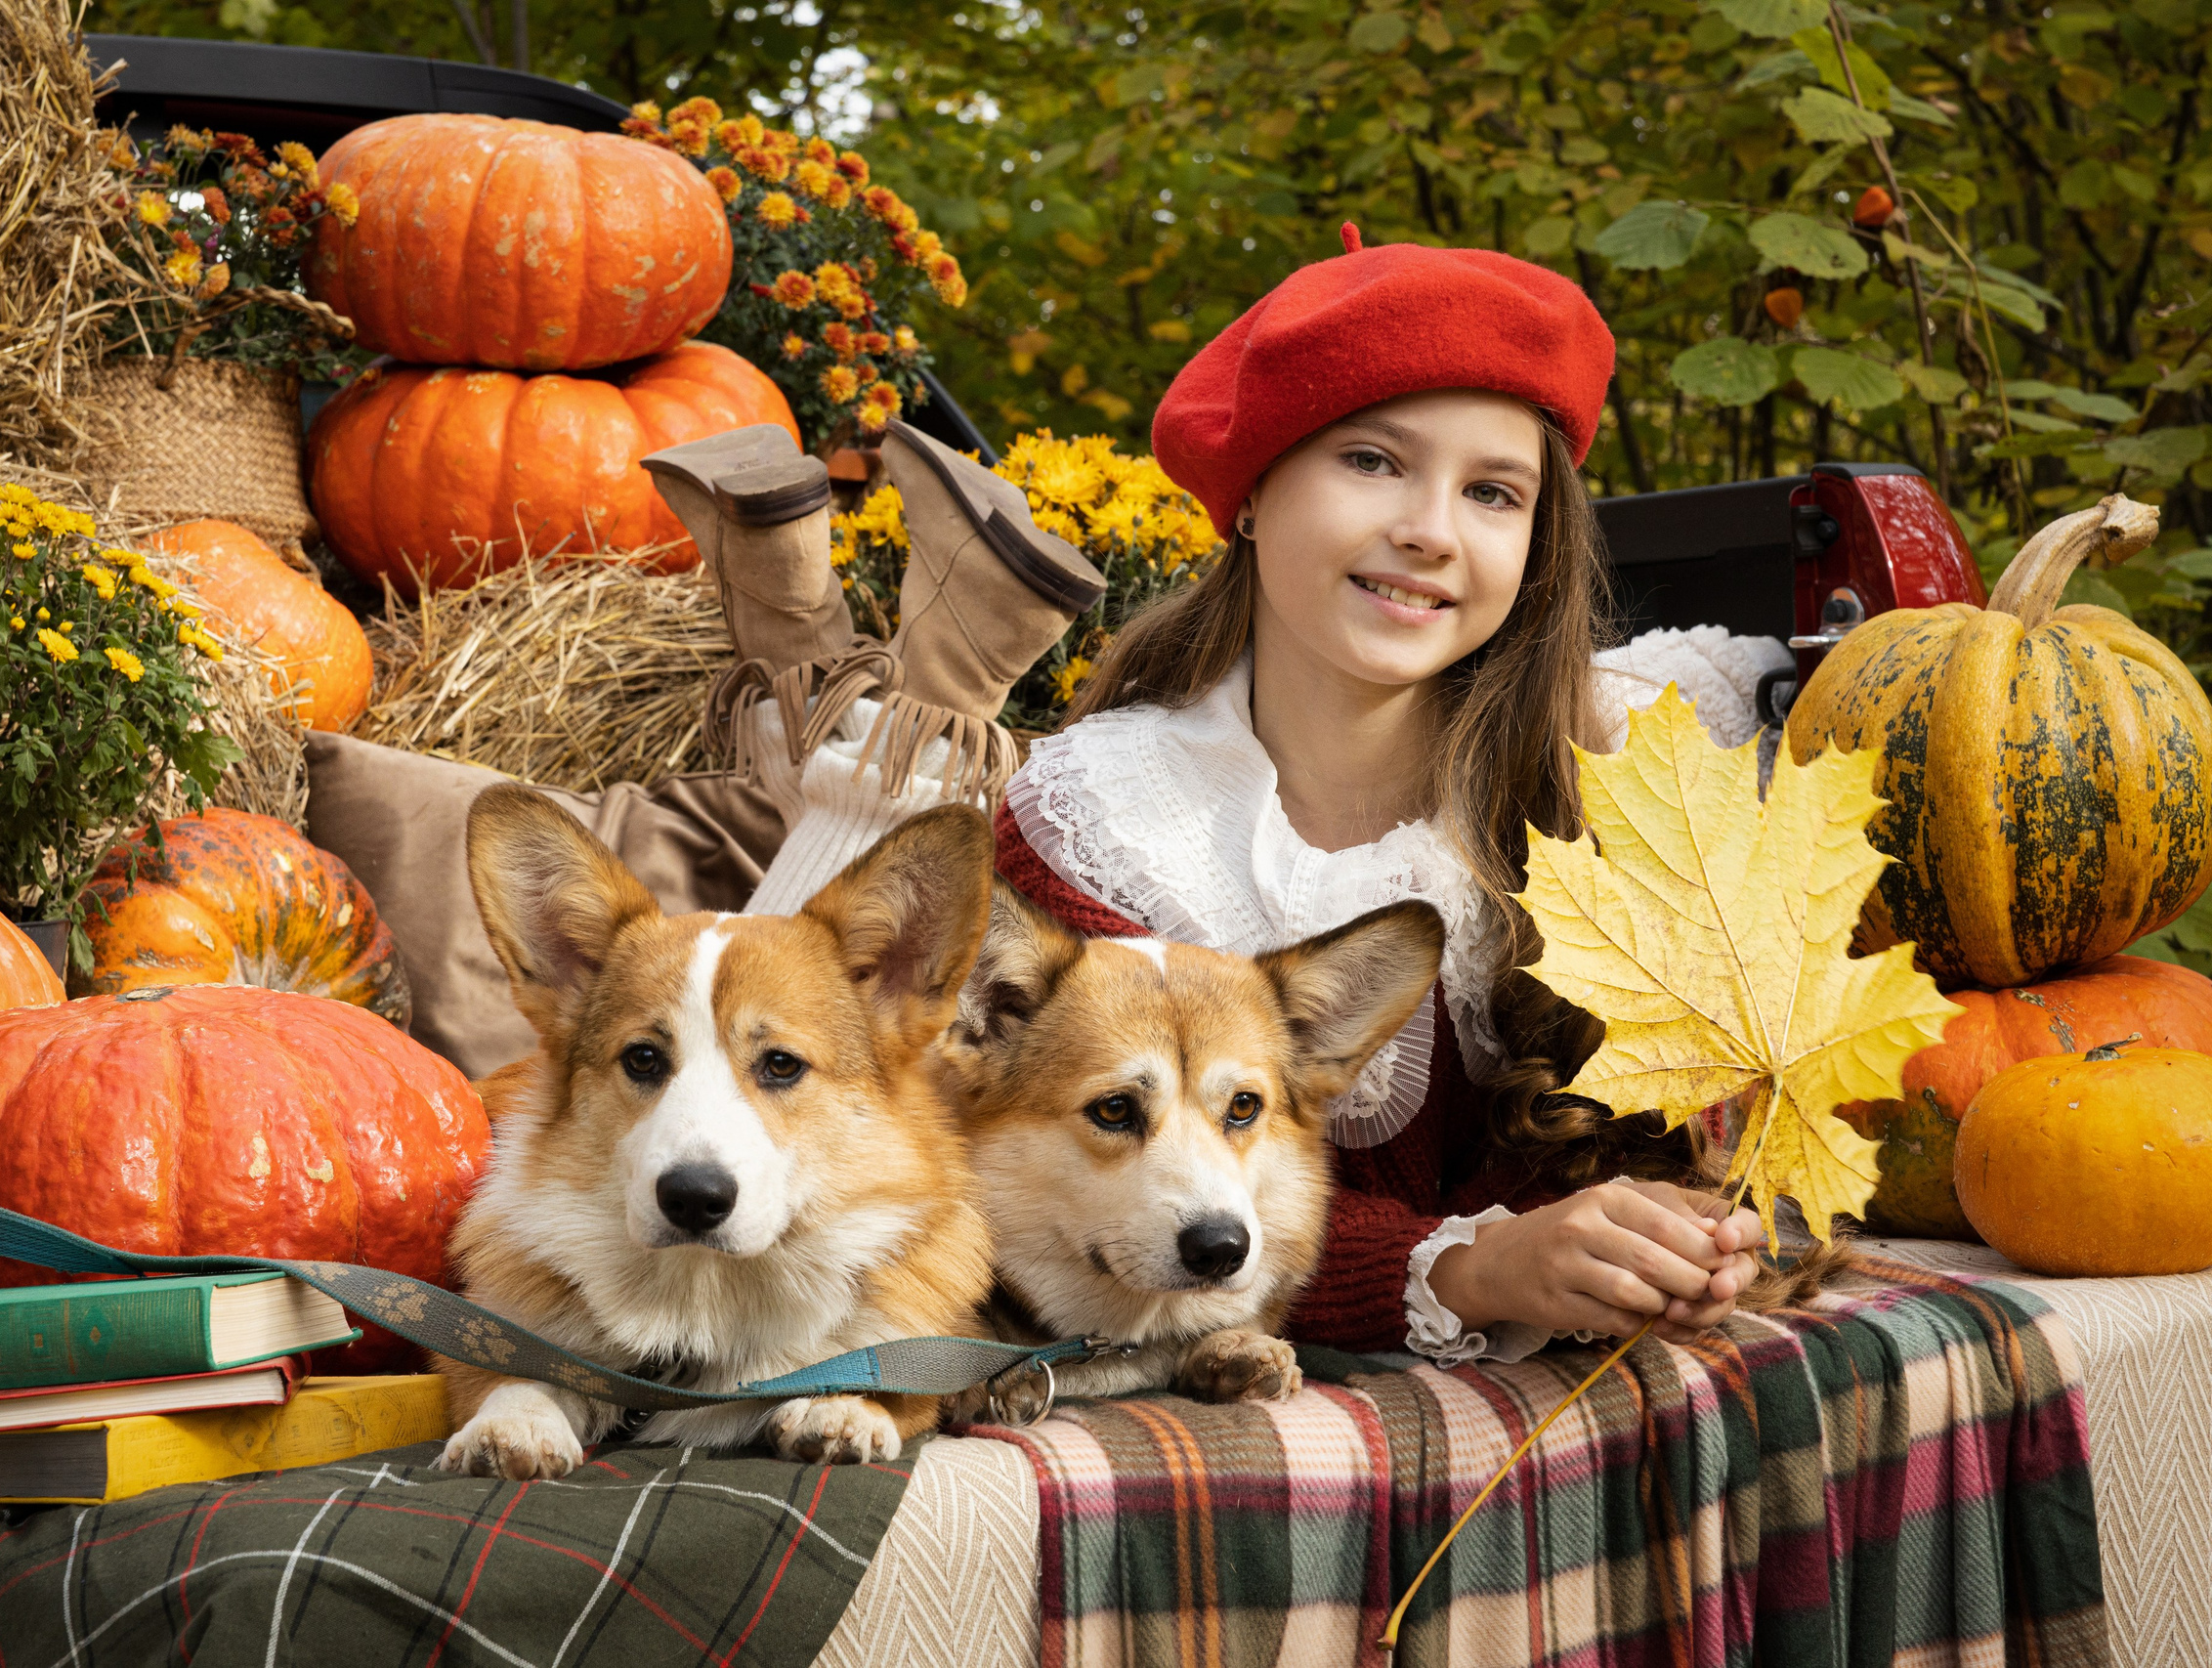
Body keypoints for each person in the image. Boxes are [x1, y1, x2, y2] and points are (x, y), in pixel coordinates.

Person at [613, 230, 1790, 1362]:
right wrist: (1467, 1269)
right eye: (1372, 462)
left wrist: (1661, 1234)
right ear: (1254, 492)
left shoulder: (1598, 794)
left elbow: (1633, 1137)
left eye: (1493, 492)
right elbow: (1048, 1201)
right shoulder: (1106, 828)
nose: (1430, 531)